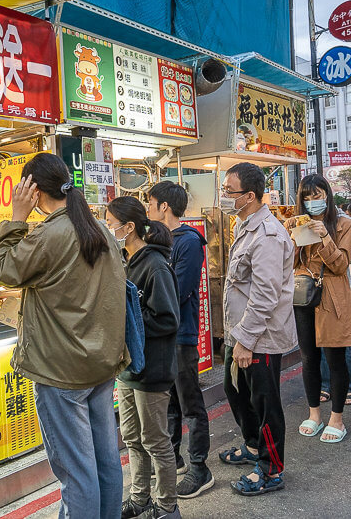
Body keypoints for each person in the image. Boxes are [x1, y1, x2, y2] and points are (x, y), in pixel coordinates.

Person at [0, 153, 127, 519]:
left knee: (77, 473)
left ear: (32, 189)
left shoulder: (51, 233)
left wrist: (16, 217)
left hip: (62, 370)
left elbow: (0, 268)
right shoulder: (99, 230)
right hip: (101, 363)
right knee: (105, 462)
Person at [217, 162, 297, 496]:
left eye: (228, 191)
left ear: (249, 196)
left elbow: (266, 294)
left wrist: (246, 341)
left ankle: (271, 468)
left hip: (259, 337)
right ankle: (252, 446)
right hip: (241, 332)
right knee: (236, 391)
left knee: (265, 403)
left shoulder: (267, 235)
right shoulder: (246, 225)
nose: (223, 196)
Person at [106, 197, 182, 519]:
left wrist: (129, 321)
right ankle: (139, 499)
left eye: (110, 223)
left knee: (156, 441)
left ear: (129, 227)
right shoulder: (123, 260)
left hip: (152, 369)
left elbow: (168, 319)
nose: (108, 228)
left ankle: (167, 506)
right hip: (127, 370)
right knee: (132, 439)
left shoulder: (154, 265)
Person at [145, 181, 214, 499]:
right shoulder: (158, 240)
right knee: (169, 404)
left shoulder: (187, 242)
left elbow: (179, 289)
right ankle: (174, 459)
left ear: (164, 207)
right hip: (160, 335)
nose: (147, 208)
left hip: (182, 334)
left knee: (190, 404)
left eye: (150, 203)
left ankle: (201, 468)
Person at [284, 175, 351, 444]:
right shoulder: (299, 224)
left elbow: (341, 265)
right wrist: (291, 236)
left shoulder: (345, 224)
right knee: (308, 358)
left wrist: (325, 236)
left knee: (335, 358)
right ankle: (314, 413)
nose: (313, 201)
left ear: (327, 195)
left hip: (332, 295)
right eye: (307, 197)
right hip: (304, 295)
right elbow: (289, 264)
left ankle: (337, 419)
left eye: (317, 195)